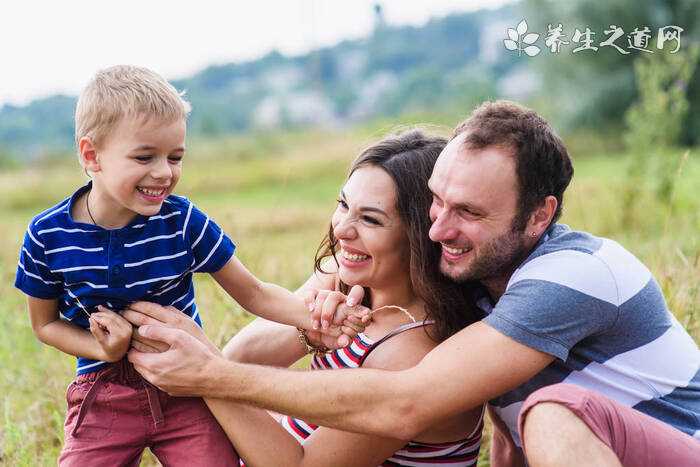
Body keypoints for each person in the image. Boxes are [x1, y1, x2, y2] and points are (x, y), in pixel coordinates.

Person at [127, 101, 700, 466]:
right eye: (437, 203)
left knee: (553, 409)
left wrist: (211, 376)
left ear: (539, 215)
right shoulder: (474, 284)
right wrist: (319, 306)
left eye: (469, 212)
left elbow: (406, 403)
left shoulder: (570, 277)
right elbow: (506, 435)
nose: (441, 227)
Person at [14, 65, 360, 466]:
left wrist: (314, 317)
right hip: (104, 393)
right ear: (92, 155)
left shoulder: (182, 222)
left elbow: (254, 292)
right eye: (145, 156)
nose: (164, 172)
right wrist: (102, 349)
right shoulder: (46, 235)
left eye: (175, 157)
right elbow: (45, 325)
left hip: (187, 386)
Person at [126, 130, 486, 466]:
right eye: (343, 204)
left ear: (423, 236)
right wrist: (310, 328)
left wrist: (204, 372)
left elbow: (300, 463)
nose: (342, 230)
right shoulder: (346, 277)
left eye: (371, 220)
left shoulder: (411, 350)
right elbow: (239, 357)